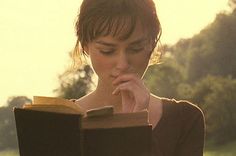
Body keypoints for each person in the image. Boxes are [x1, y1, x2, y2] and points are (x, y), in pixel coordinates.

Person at [72, 0, 205, 155]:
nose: (122, 64)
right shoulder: (57, 123)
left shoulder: (184, 120)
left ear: (152, 44)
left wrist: (137, 127)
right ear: (85, 45)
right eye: (107, 50)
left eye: (135, 49)